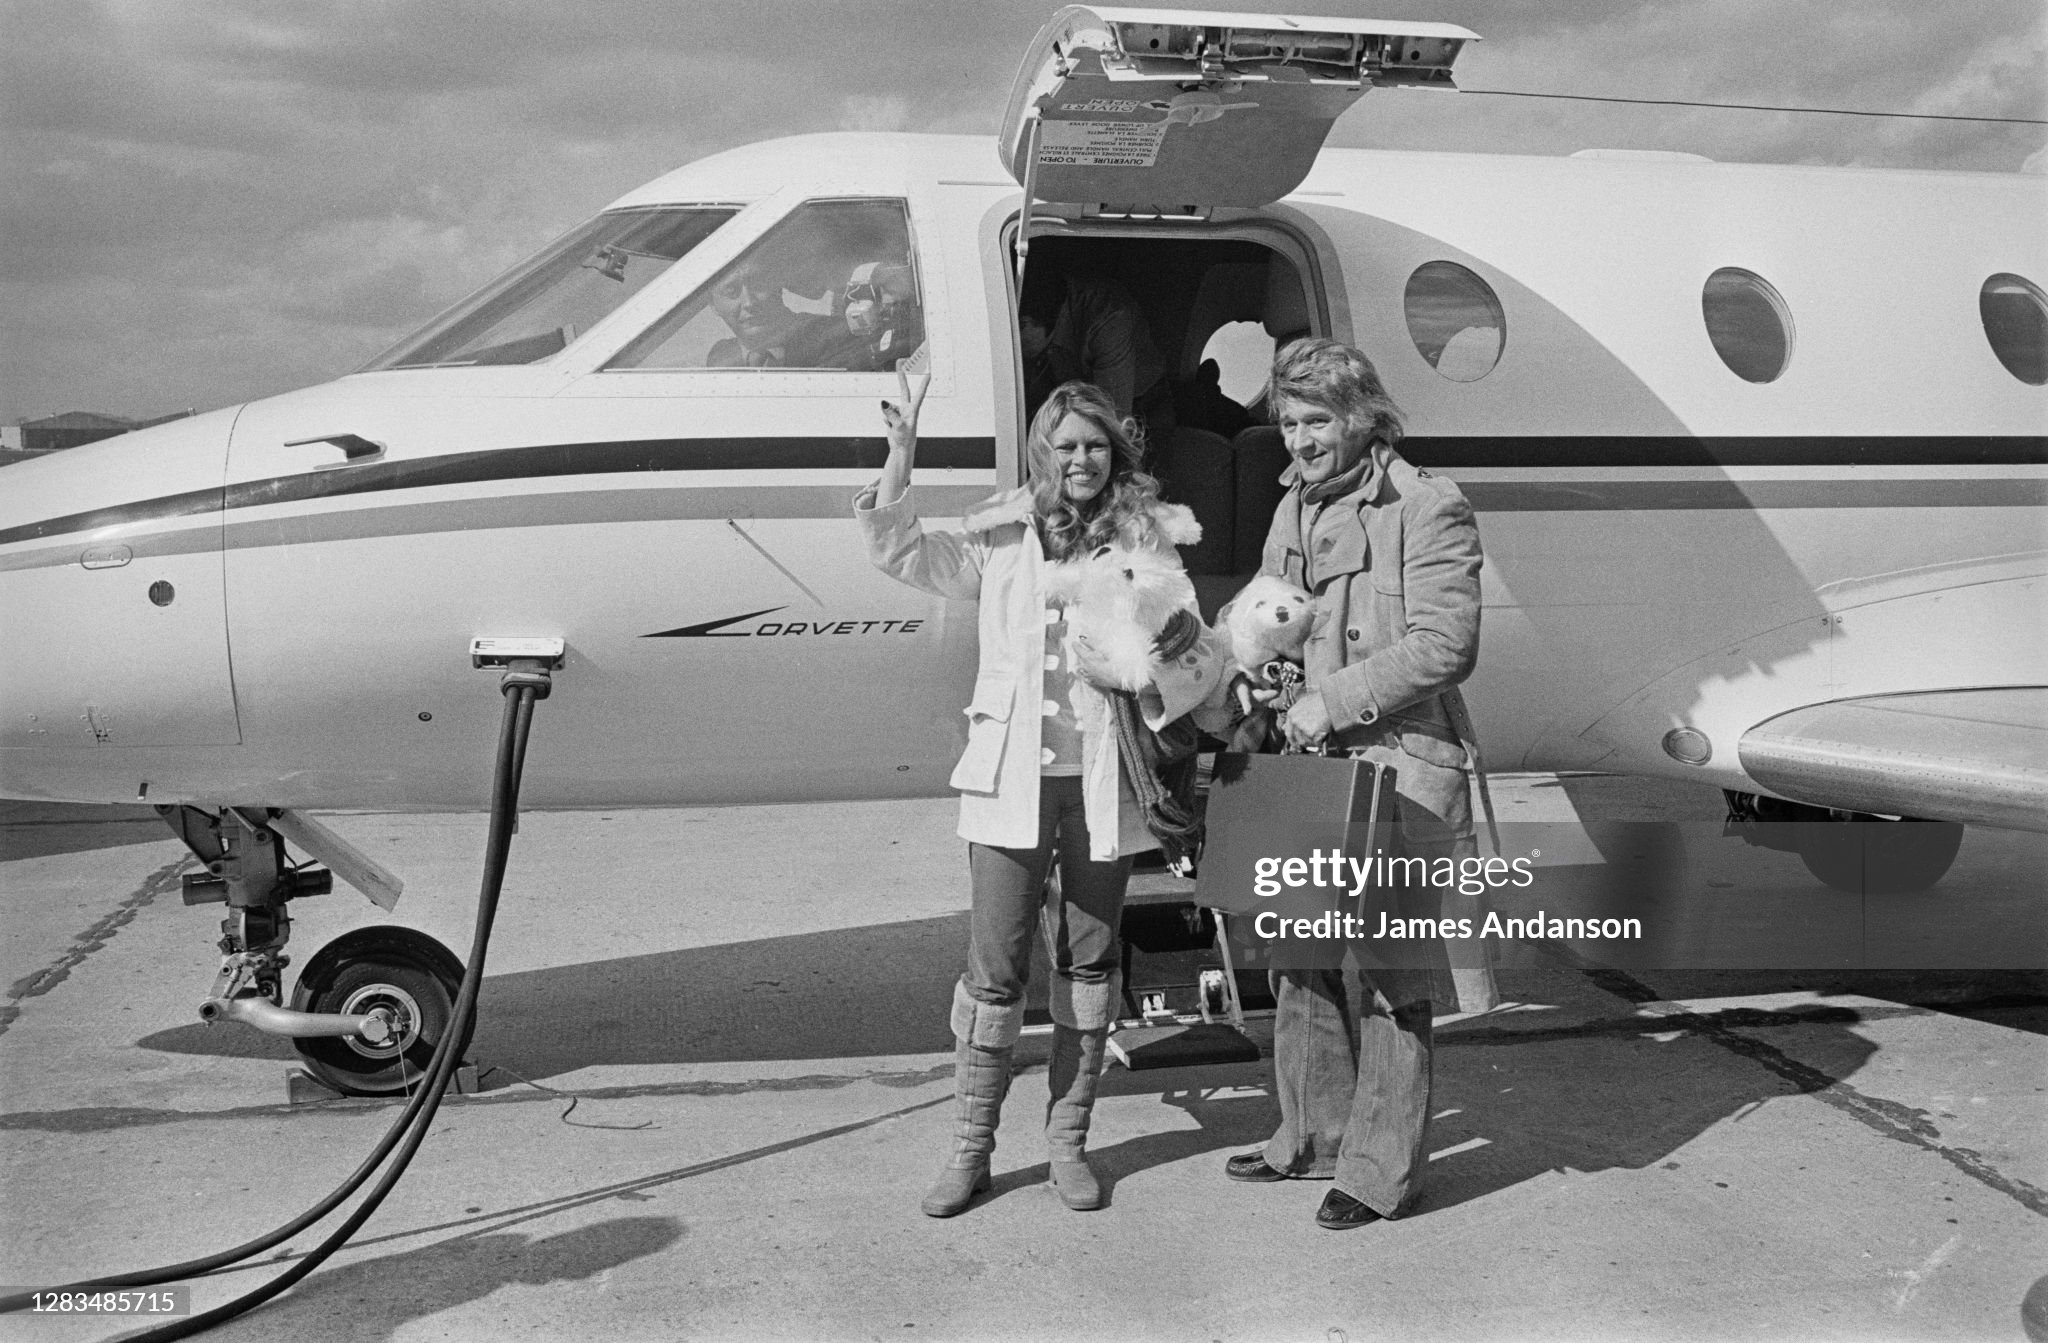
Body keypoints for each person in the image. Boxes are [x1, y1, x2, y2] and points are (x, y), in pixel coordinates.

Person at [855, 372, 1224, 1217]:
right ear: (1042, 456)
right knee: (994, 973)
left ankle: (1068, 1143)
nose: (1082, 459)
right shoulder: (999, 536)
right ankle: (970, 1150)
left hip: (1104, 787)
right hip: (1009, 781)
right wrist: (900, 453)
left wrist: (1140, 666)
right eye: (1066, 447)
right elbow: (903, 552)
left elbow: (1195, 652)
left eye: (1095, 444)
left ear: (1115, 449)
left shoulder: (1148, 542)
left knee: (1090, 966)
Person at [1219, 337, 1492, 1230]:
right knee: (1300, 954)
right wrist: (1250, 667)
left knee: (1388, 976)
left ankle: (1379, 1171)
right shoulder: (1294, 503)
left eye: (1317, 421)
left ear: (1363, 416)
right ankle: (1312, 1134)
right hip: (1314, 759)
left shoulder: (1426, 505)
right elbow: (1269, 614)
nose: (1299, 440)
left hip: (1401, 763)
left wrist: (1331, 700)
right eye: (1289, 423)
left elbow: (1447, 644)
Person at [1018, 269, 1167, 427]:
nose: (1017, 347)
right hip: (1076, 403)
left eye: (1017, 333)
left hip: (1143, 402)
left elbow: (1113, 422)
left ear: (1026, 322)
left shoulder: (1108, 318)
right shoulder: (1039, 330)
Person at [704, 257, 864, 369]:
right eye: (731, 291)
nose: (749, 303)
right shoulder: (720, 357)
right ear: (713, 306)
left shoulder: (832, 337)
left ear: (778, 289)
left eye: (759, 285)